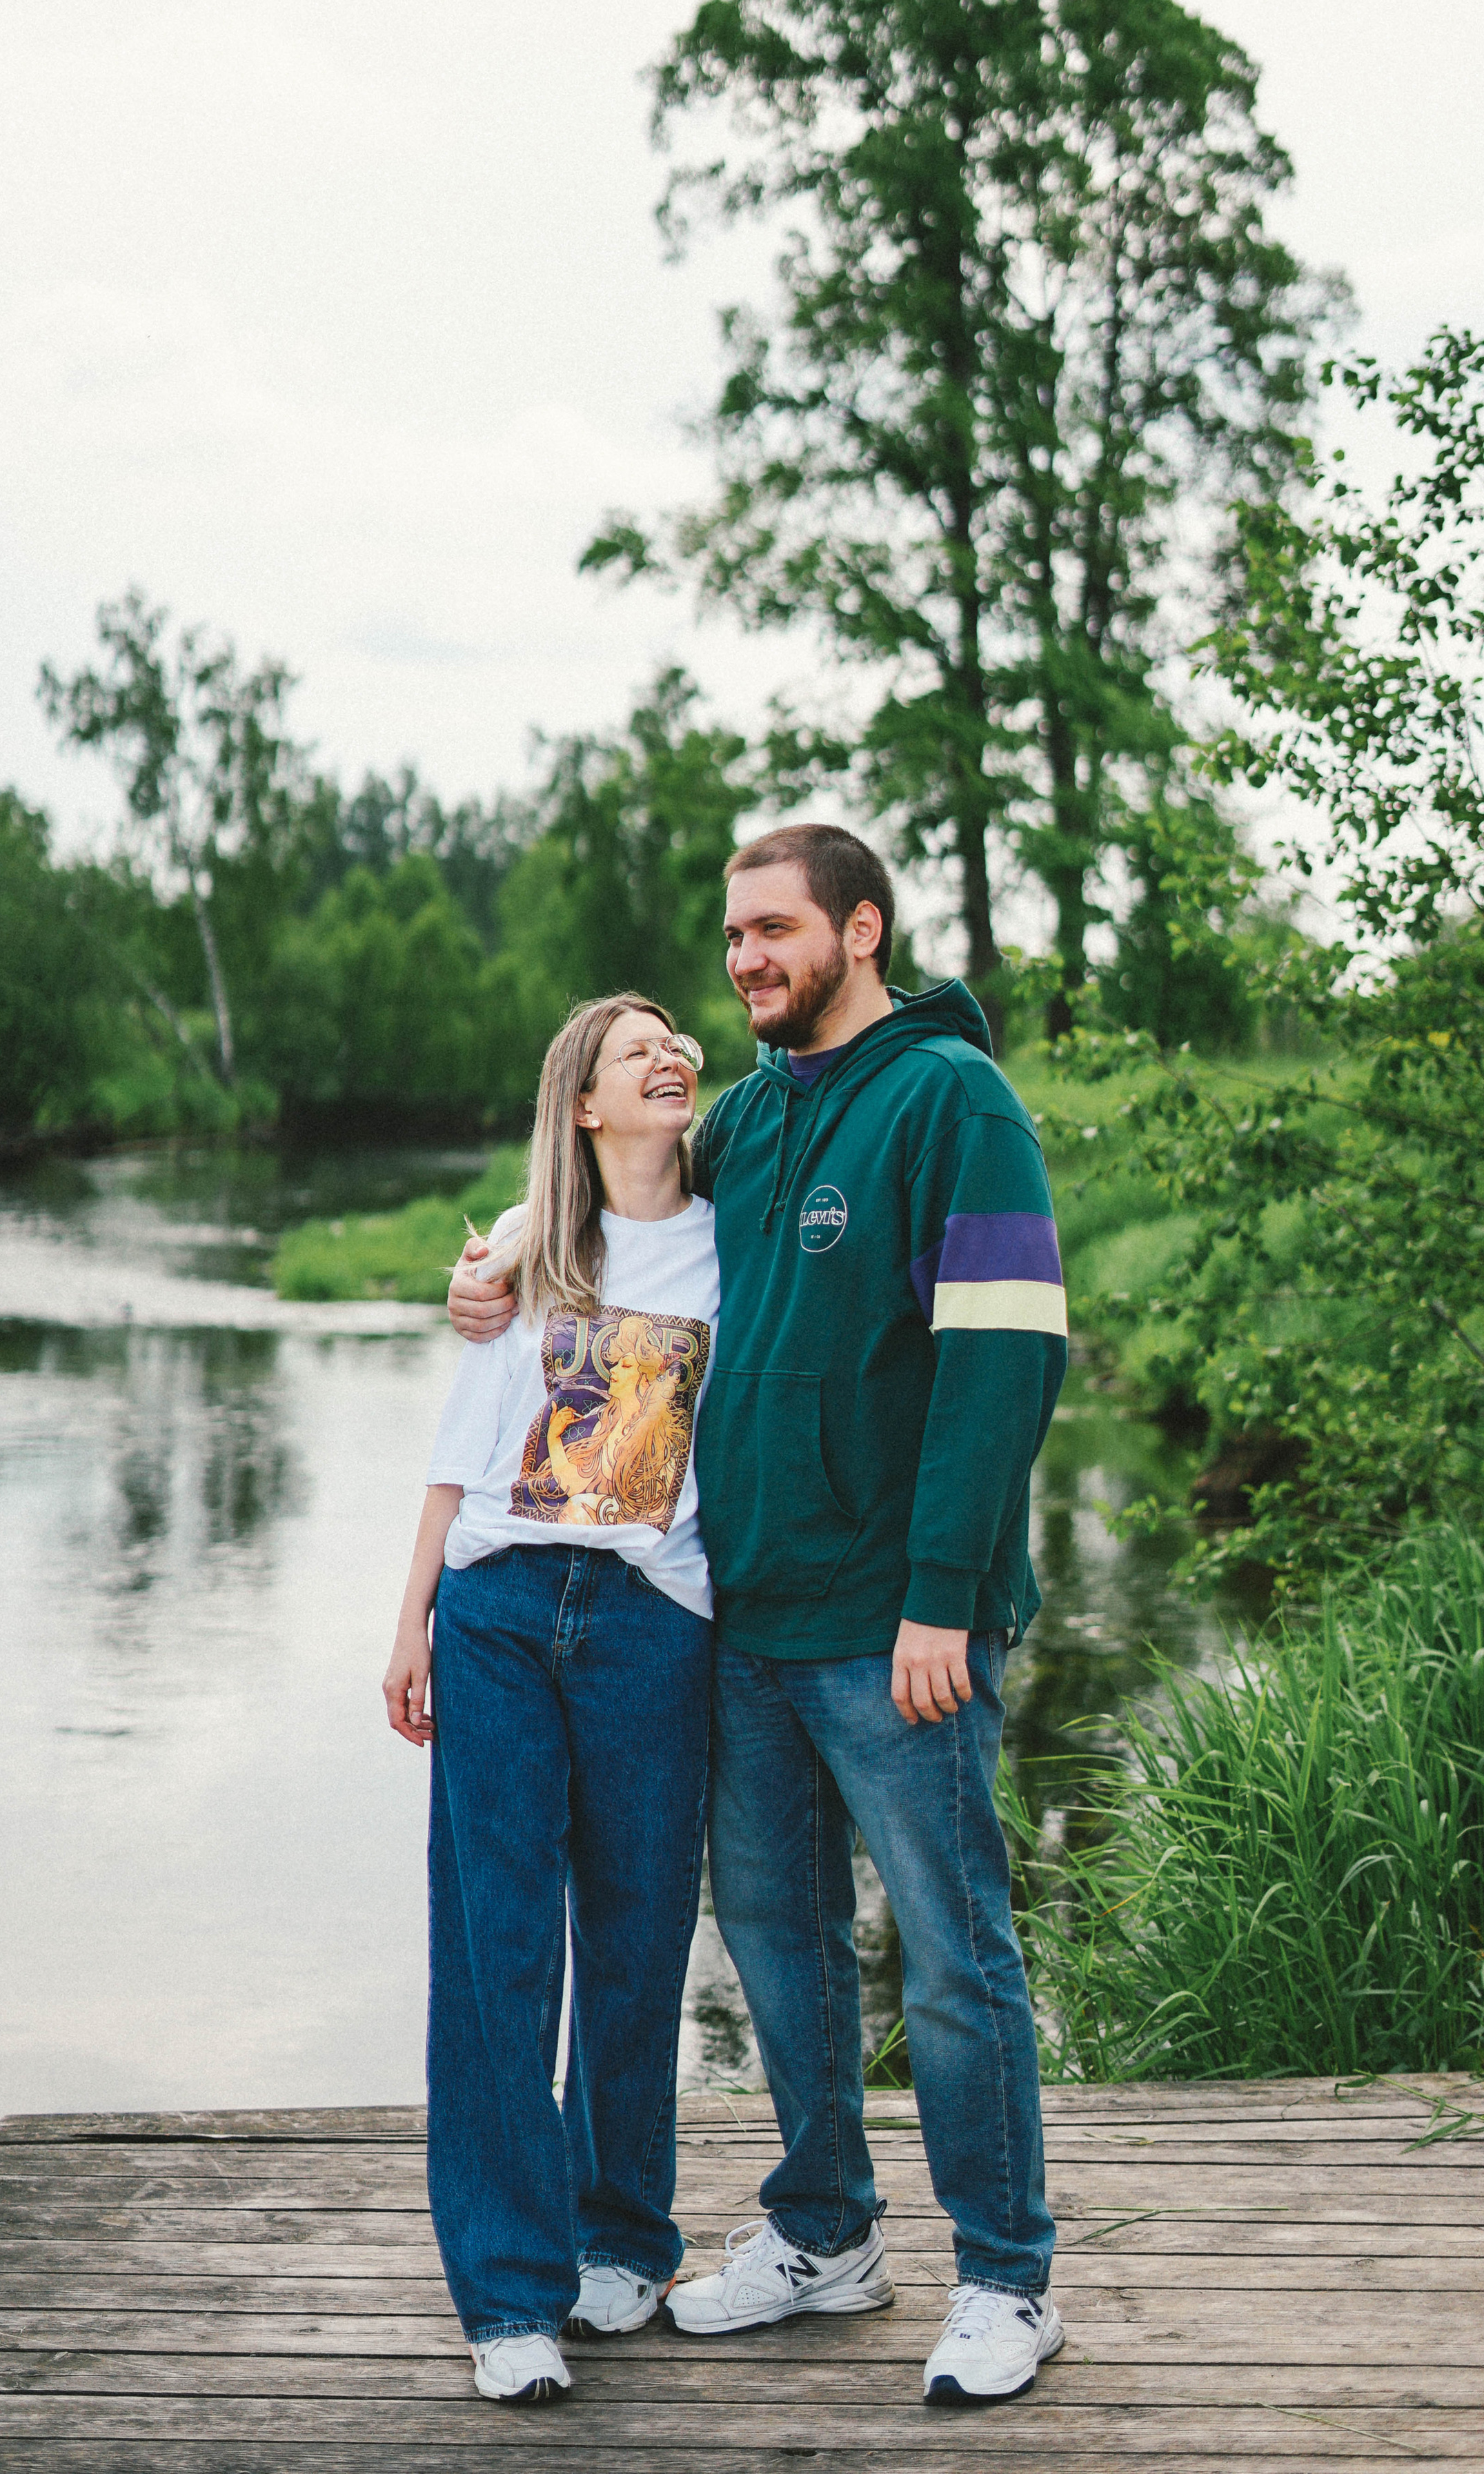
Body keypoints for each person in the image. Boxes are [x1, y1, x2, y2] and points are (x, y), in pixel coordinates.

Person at [451, 826, 1067, 2407]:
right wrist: (503, 1251)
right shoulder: (751, 1119)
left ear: (859, 932)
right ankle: (822, 2233)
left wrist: (946, 1596)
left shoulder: (952, 1104)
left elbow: (1006, 1357)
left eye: (773, 933)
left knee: (949, 1950)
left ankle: (1004, 2277)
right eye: (732, 938)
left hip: (896, 1630)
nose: (744, 963)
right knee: (778, 1945)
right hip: (742, 1620)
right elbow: (613, 1184)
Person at [384, 993, 720, 2406]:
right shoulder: (524, 1254)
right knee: (499, 1951)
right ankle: (510, 2295)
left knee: (638, 1945)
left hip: (654, 1618)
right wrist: (411, 1616)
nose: (665, 1052)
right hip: (505, 1608)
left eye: (672, 1037)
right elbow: (466, 1443)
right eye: (627, 1046)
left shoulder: (734, 1229)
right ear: (579, 1103)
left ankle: (622, 2237)